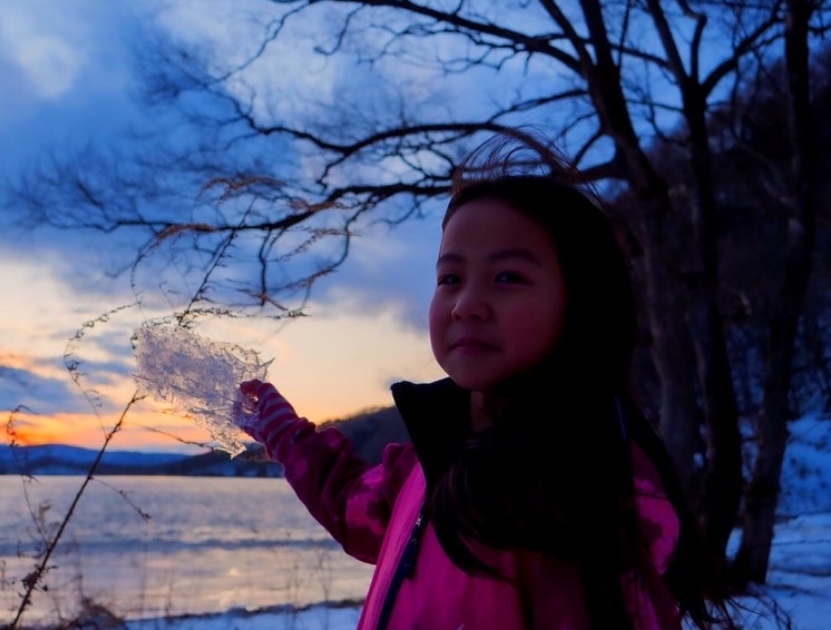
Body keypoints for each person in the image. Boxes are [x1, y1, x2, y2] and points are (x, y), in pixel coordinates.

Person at [233, 137, 733, 630]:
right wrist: (287, 434)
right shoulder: (433, 456)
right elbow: (355, 509)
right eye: (450, 278)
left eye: (507, 277)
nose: (465, 304)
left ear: (580, 305)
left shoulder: (585, 484)